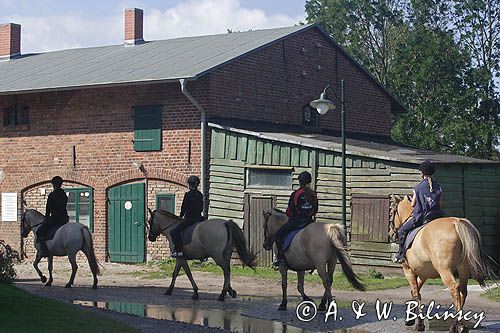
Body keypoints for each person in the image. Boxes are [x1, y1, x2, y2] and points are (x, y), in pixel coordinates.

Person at [393, 160, 445, 263]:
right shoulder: (439, 187)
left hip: (421, 218)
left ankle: (401, 255)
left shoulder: (417, 187)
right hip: (437, 216)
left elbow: (412, 204)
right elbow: (441, 204)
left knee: (401, 231)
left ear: (422, 173)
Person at [264, 171, 318, 266]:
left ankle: (280, 258)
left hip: (296, 222)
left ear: (300, 182)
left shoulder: (296, 194)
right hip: (309, 221)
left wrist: (291, 215)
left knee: (279, 234)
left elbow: (289, 211)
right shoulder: (313, 194)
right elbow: (315, 209)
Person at [170, 175, 204, 258]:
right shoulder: (200, 195)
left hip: (190, 219)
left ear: (190, 185)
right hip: (199, 218)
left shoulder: (188, 195)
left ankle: (179, 251)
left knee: (174, 232)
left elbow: (184, 207)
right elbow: (201, 208)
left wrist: (181, 216)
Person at [36, 176, 69, 257]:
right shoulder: (64, 194)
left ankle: (44, 251)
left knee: (39, 232)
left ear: (53, 184)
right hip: (64, 218)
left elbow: (48, 209)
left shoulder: (52, 195)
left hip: (55, 219)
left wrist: (46, 219)